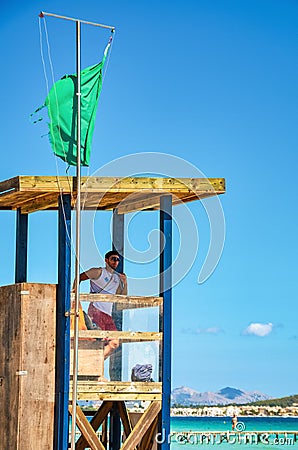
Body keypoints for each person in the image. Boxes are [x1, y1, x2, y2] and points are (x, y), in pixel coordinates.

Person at [74, 250, 127, 359]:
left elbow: (122, 297)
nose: (115, 262)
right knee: (100, 342)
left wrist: (125, 283)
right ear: (106, 260)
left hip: (108, 314)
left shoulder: (117, 278)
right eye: (113, 259)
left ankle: (95, 363)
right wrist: (74, 294)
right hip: (96, 310)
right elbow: (79, 277)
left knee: (114, 342)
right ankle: (94, 367)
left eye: (117, 260)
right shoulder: (98, 272)